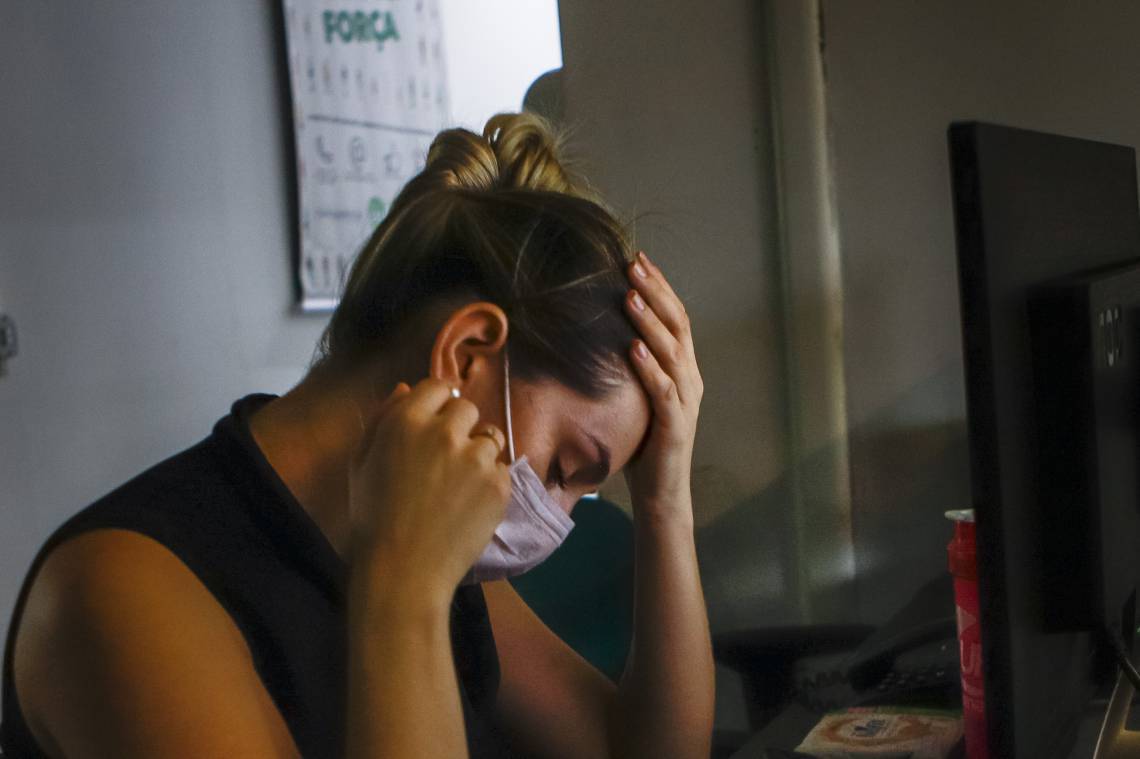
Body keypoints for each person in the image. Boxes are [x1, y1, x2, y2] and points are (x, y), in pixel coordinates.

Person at [1, 112, 713, 758]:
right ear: (466, 357)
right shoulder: (118, 592)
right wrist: (402, 597)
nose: (554, 520)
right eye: (564, 467)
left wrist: (665, 496)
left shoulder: (442, 556)